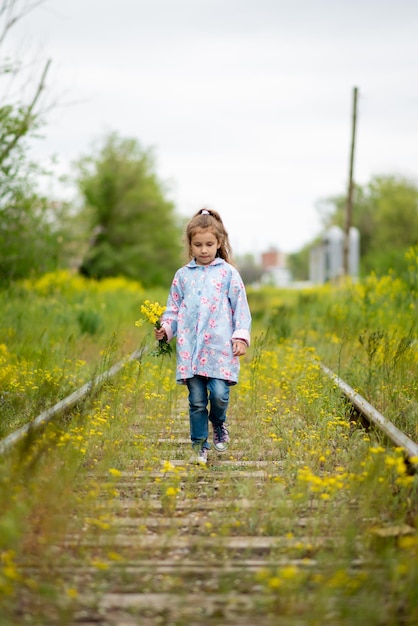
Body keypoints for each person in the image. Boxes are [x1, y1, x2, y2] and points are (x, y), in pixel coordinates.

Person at [154, 208, 252, 465]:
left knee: (219, 394)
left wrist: (240, 336)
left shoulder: (228, 273)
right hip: (191, 350)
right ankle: (199, 445)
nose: (204, 250)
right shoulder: (182, 276)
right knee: (196, 401)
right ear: (190, 245)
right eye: (198, 244)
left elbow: (240, 307)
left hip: (219, 348)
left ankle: (218, 422)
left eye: (209, 244)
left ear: (219, 243)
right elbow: (173, 309)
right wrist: (166, 329)